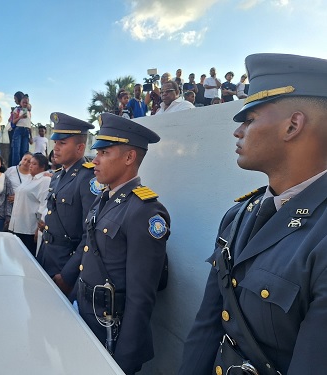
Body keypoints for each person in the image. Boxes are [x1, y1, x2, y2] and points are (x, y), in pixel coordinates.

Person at [179, 53, 327, 375]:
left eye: (249, 120)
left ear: (293, 125)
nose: (238, 132)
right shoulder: (238, 216)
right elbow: (207, 327)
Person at [77, 112, 170, 375]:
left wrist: (124, 361)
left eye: (104, 152)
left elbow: (142, 297)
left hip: (111, 330)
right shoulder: (104, 198)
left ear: (129, 158)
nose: (95, 160)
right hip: (87, 317)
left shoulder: (144, 211)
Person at [36, 112, 100, 296]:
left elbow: (90, 234)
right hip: (47, 255)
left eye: (62, 143)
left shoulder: (87, 177)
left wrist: (68, 275)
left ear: (80, 148)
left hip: (65, 264)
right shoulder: (57, 176)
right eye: (55, 142)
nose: (55, 148)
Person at [9, 153, 51, 256]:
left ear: (42, 166)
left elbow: (44, 204)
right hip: (16, 225)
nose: (30, 166)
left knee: (26, 258)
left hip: (29, 228)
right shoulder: (28, 178)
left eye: (34, 164)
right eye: (30, 163)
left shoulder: (44, 180)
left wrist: (38, 228)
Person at [11, 96, 32, 167]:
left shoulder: (29, 111)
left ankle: (24, 167)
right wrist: (20, 117)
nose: (25, 104)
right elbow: (13, 122)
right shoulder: (17, 110)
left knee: (25, 151)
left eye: (27, 102)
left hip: (26, 131)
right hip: (18, 130)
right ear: (20, 103)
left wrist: (31, 136)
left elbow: (29, 125)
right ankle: (15, 167)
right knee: (16, 151)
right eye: (24, 102)